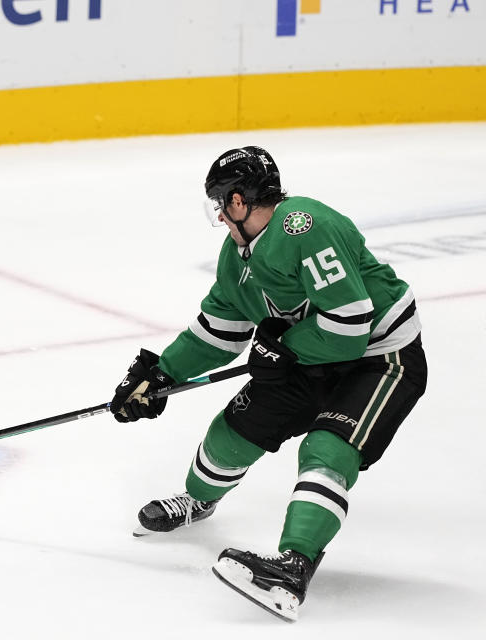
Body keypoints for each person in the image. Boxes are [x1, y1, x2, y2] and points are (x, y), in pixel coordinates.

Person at [110, 147, 426, 622]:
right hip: (307, 356)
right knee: (231, 434)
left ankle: (293, 567)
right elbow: (221, 329)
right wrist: (162, 374)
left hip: (379, 358)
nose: (219, 214)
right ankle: (199, 500)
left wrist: (283, 350)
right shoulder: (237, 255)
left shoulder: (305, 226)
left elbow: (348, 328)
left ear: (238, 201)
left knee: (327, 448)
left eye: (221, 204)